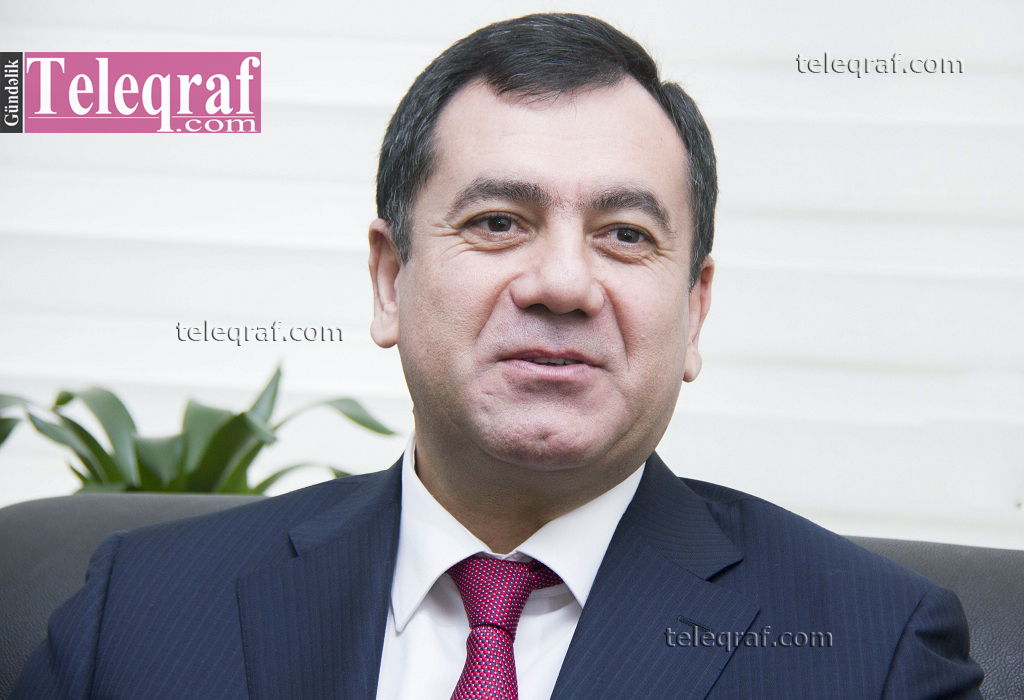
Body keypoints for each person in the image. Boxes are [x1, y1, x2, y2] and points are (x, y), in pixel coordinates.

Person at [12, 13, 982, 699]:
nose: (561, 283)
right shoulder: (138, 613)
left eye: (626, 235)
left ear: (695, 310)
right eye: (498, 221)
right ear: (389, 280)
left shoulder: (872, 653)